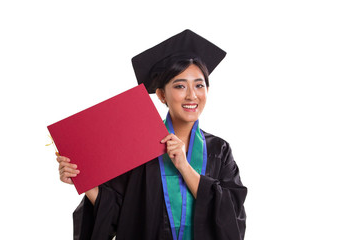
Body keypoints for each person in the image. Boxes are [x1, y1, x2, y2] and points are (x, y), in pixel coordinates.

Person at [56, 29, 247, 240]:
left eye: (199, 85)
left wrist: (183, 166)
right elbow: (120, 213)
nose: (192, 95)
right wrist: (83, 182)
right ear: (161, 95)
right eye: (180, 86)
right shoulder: (139, 146)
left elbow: (231, 216)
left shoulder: (219, 149)